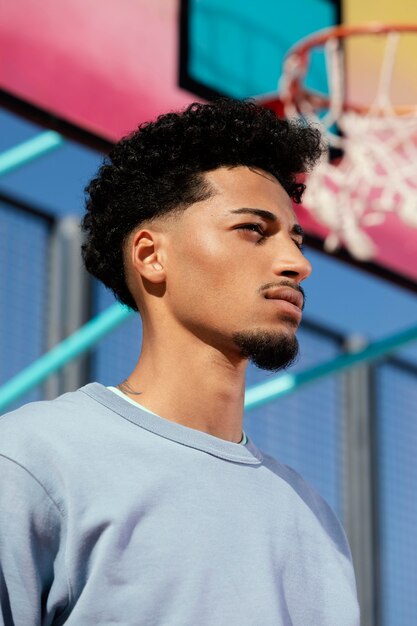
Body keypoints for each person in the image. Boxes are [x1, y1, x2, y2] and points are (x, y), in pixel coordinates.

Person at [0, 99, 359, 625]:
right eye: (253, 231)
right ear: (151, 256)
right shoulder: (33, 461)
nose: (297, 263)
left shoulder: (316, 518)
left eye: (295, 238)